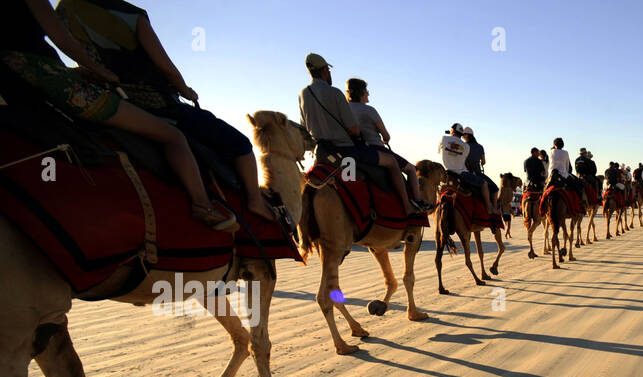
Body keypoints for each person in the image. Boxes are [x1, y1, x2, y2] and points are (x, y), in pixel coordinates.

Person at [2, 0, 235, 229]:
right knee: (173, 136)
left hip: (10, 81)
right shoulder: (131, 14)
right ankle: (203, 205)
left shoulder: (65, 9)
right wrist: (102, 72)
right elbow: (60, 38)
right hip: (41, 75)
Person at [53, 0, 274, 221]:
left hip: (112, 104)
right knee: (241, 144)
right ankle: (253, 201)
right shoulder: (129, 14)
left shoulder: (62, 12)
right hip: (158, 104)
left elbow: (80, 64)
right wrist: (185, 89)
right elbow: (165, 66)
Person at [298, 53, 413, 216]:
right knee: (392, 162)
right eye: (328, 70)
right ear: (325, 71)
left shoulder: (303, 94)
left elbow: (304, 129)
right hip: (345, 152)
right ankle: (407, 207)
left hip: (320, 154)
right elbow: (353, 129)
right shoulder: (335, 93)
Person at [344, 77, 426, 209]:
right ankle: (417, 201)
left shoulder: (344, 109)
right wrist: (385, 140)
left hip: (353, 148)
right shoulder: (369, 110)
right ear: (361, 92)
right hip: (375, 148)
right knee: (410, 169)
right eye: (366, 90)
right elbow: (386, 135)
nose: (368, 93)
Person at [459, 125, 497, 216]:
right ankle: (493, 209)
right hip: (477, 173)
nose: (462, 137)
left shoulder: (463, 146)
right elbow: (484, 162)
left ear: (467, 135)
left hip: (464, 172)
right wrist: (480, 163)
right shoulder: (480, 147)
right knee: (495, 188)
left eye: (463, 135)